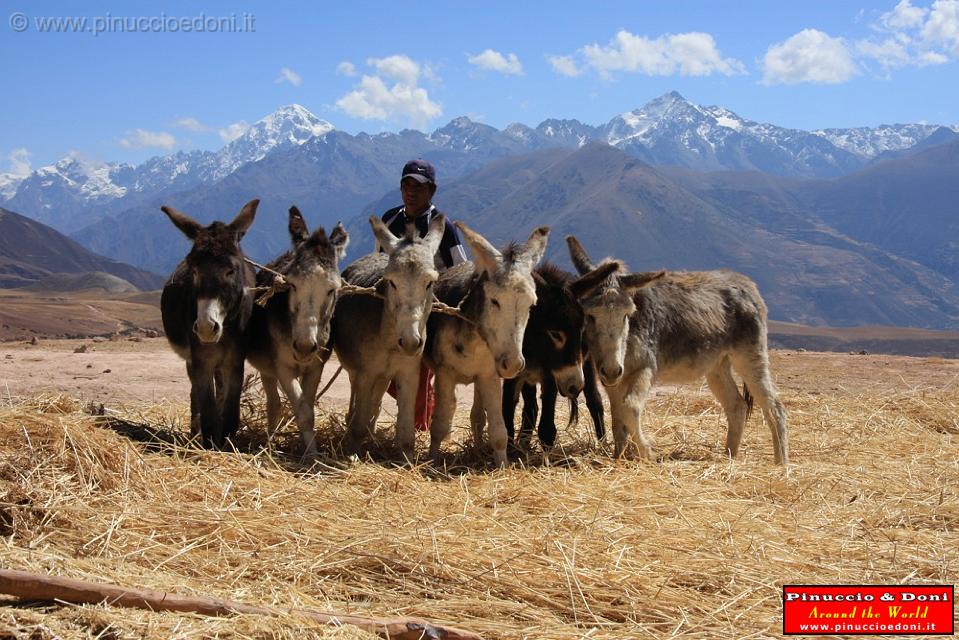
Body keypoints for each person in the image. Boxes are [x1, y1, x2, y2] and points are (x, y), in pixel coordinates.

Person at [381, 159, 467, 431]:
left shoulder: (443, 227)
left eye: (419, 187)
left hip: (432, 309)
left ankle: (419, 428)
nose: (411, 192)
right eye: (407, 185)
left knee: (416, 371)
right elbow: (380, 262)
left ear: (432, 190)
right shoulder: (390, 220)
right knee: (387, 372)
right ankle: (425, 407)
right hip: (396, 306)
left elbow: (461, 269)